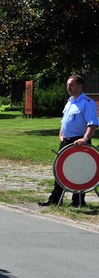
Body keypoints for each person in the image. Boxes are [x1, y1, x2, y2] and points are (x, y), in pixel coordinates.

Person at [39, 75, 98, 207]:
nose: (68, 87)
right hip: (66, 141)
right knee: (60, 170)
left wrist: (85, 139)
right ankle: (55, 200)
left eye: (71, 85)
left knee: (79, 171)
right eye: (67, 85)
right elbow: (64, 121)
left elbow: (92, 123)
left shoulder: (87, 103)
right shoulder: (70, 102)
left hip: (80, 142)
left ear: (80, 86)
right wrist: (61, 134)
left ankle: (78, 202)